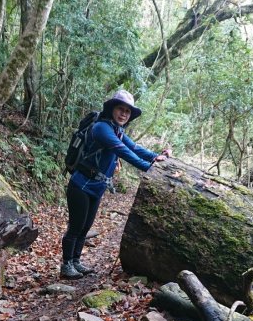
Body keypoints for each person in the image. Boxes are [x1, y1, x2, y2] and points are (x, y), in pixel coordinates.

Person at [60, 89, 172, 279]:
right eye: (121, 109)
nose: (124, 114)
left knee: (86, 227)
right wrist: (148, 168)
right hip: (80, 185)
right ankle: (66, 264)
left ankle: (76, 261)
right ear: (112, 108)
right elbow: (123, 151)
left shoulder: (117, 130)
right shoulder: (102, 128)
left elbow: (134, 147)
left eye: (127, 112)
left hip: (97, 187)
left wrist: (156, 157)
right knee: (76, 227)